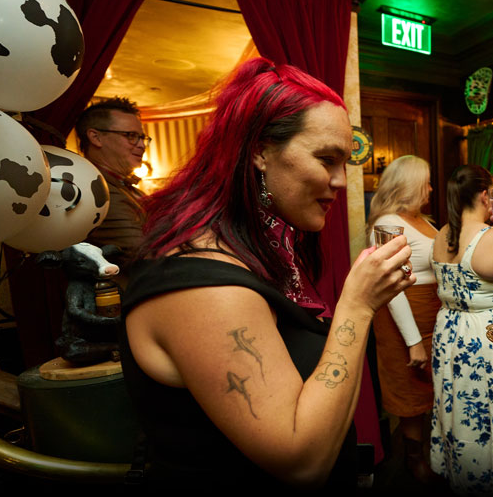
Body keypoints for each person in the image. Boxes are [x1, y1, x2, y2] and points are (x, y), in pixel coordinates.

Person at [118, 58, 415, 491]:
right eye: (325, 159)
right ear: (259, 150)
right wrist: (358, 305)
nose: (340, 181)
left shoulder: (264, 252)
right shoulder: (202, 285)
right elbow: (301, 463)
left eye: (344, 162)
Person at [429, 165, 493, 495]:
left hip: (449, 337)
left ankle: (462, 475)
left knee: (459, 409)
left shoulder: (440, 235)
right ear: (485, 195)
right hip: (490, 340)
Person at [365, 155, 440, 482]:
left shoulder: (425, 220)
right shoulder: (386, 224)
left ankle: (433, 451)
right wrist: (413, 342)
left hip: (433, 312)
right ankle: (413, 458)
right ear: (408, 185)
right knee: (410, 389)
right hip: (404, 316)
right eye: (425, 182)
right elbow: (392, 288)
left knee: (431, 388)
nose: (431, 188)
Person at [76, 96, 148, 273]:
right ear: (96, 137)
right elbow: (145, 253)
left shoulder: (128, 188)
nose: (142, 145)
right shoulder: (96, 190)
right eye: (131, 136)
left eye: (142, 138)